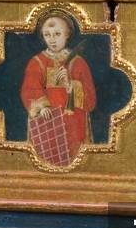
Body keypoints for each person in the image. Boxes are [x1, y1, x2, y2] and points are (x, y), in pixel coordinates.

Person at [20, 11, 97, 166]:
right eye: (47, 35)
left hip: (74, 121)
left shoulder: (78, 62)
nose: (52, 39)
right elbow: (30, 89)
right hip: (48, 120)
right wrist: (41, 107)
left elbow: (91, 99)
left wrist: (71, 87)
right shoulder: (37, 62)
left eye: (57, 34)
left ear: (67, 34)